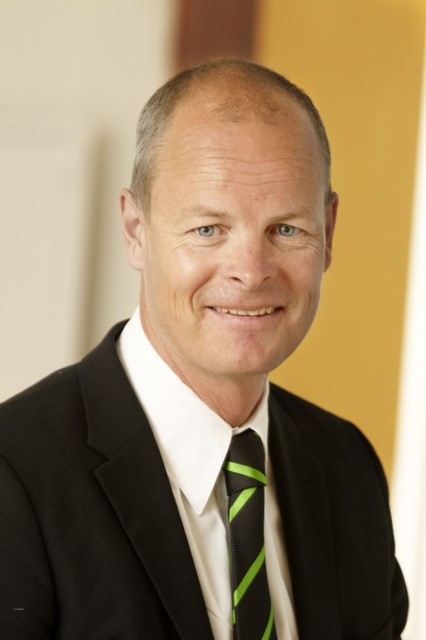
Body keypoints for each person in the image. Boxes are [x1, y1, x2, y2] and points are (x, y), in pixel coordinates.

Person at [0, 59, 408, 640]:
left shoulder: (347, 468)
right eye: (208, 229)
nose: (251, 271)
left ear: (329, 232)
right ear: (135, 229)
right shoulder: (15, 477)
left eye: (286, 229)